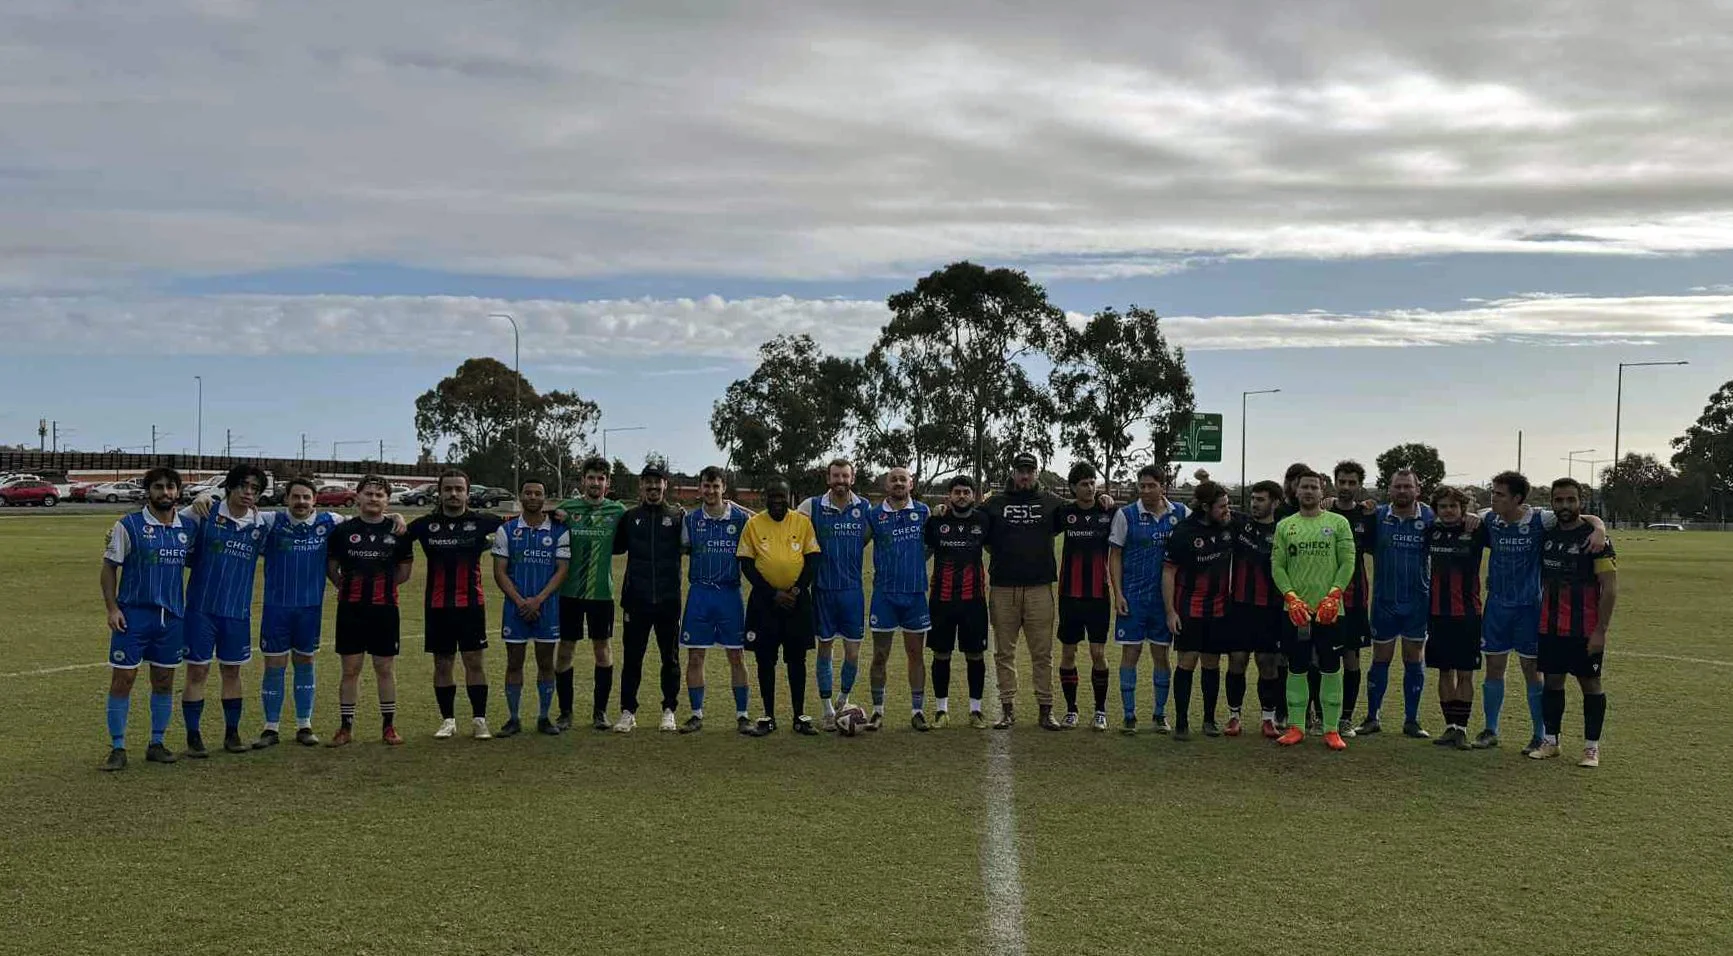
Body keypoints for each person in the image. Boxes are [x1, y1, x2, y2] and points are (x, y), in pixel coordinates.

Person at [1473, 471, 1607, 753]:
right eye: (1493, 493)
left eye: (1499, 494)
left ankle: (1540, 734)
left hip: (1530, 608)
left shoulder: (1540, 519)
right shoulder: (1490, 519)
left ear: (1517, 498)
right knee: (1494, 668)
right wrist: (1470, 515)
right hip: (1497, 606)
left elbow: (1582, 517)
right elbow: (1469, 513)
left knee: (1532, 670)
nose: (1493, 498)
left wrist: (1600, 527)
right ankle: (1490, 729)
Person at [99, 467, 198, 771]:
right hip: (134, 616)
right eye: (159, 487)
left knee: (165, 680)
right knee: (123, 679)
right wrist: (113, 609)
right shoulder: (128, 525)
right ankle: (117, 747)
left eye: (170, 487)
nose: (165, 493)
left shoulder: (188, 528)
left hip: (172, 619)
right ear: (148, 491)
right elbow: (109, 568)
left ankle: (157, 742)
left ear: (177, 492)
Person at [404, 470, 504, 740]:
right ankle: (448, 720)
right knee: (443, 663)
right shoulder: (425, 524)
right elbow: (395, 534)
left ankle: (479, 719)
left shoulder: (482, 521)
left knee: (474, 660)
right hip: (437, 606)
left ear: (467, 493)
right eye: (448, 489)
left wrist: (556, 515)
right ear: (439, 492)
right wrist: (394, 516)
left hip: (472, 604)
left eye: (459, 489)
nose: (453, 494)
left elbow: (521, 523)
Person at [180, 463, 269, 756]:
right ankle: (193, 737)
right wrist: (198, 498)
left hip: (237, 611)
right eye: (243, 486)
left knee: (232, 672)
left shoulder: (261, 524)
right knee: (197, 671)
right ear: (230, 486)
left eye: (254, 489)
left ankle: (232, 734)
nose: (248, 493)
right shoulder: (205, 513)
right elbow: (168, 524)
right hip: (201, 610)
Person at [1530, 478, 1617, 768]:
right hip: (1550, 625)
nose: (1565, 506)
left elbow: (1610, 587)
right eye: (1559, 501)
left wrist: (1600, 631)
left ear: (1581, 501)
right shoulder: (1547, 535)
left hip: (1585, 628)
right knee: (1553, 682)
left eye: (1571, 500)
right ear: (1552, 503)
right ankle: (1551, 741)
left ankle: (1591, 748)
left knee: (1590, 683)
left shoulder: (1596, 540)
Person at [979, 452, 1069, 730]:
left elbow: (1081, 510)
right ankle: (1007, 709)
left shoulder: (1052, 503)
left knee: (1042, 653)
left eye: (1030, 471)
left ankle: (1046, 710)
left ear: (1037, 473)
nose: (1026, 476)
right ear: (1014, 473)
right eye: (1021, 471)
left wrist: (1105, 501)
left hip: (1039, 588)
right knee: (1004, 653)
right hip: (1003, 588)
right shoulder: (993, 504)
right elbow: (977, 530)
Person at [324, 476, 415, 746]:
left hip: (385, 609)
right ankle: (345, 727)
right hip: (351, 609)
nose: (374, 498)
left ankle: (388, 726)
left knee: (384, 667)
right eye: (369, 493)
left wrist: (381, 587)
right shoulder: (343, 530)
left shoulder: (398, 530)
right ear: (359, 496)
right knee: (350, 669)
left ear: (387, 500)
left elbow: (404, 572)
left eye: (379, 494)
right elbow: (332, 566)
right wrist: (344, 584)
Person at [253, 476, 343, 747]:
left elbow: (367, 518)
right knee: (274, 665)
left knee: (305, 662)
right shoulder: (271, 522)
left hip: (309, 610)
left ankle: (305, 725)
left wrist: (396, 515)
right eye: (296, 497)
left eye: (306, 497)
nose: (301, 502)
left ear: (315, 500)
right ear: (286, 499)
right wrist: (202, 500)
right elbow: (238, 513)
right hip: (276, 610)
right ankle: (271, 728)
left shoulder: (331, 522)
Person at [1271, 471, 1357, 751]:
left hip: (1331, 611)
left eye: (1314, 487)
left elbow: (1347, 563)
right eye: (1304, 487)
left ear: (1323, 492)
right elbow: (1278, 566)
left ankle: (1331, 729)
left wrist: (1333, 595)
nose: (1308, 491)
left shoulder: (1338, 523)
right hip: (1295, 611)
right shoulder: (1286, 525)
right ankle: (1296, 727)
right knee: (1296, 667)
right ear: (1296, 492)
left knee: (1331, 668)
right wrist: (1292, 598)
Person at [736, 476, 822, 736]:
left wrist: (795, 590)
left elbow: (812, 560)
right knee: (765, 660)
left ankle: (799, 715)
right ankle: (768, 716)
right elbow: (747, 565)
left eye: (781, 496)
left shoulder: (802, 522)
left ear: (789, 498)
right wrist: (773, 593)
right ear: (766, 498)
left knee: (797, 660)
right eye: (772, 496)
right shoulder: (753, 524)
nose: (777, 501)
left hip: (797, 602)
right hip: (765, 603)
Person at [1110, 465, 1188, 734]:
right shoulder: (1126, 514)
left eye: (1150, 486)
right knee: (1130, 654)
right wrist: (1118, 593)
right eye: (1141, 486)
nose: (1145, 491)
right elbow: (1115, 556)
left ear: (1162, 487)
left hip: (1165, 601)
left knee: (1161, 655)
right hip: (1133, 598)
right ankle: (1129, 716)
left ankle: (1159, 714)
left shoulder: (1181, 514)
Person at [677, 467, 755, 735]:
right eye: (706, 486)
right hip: (700, 594)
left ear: (724, 489)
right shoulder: (690, 520)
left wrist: (742, 507)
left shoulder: (741, 519)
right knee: (696, 656)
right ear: (700, 488)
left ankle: (743, 715)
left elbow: (765, 524)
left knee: (736, 655)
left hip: (729, 594)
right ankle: (696, 714)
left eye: (716, 486)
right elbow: (680, 548)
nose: (710, 491)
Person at [553, 457, 628, 731]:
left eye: (601, 478)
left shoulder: (618, 511)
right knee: (566, 650)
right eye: (591, 477)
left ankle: (600, 712)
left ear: (608, 483)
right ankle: (565, 712)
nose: (596, 483)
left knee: (602, 650)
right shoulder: (566, 509)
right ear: (582, 480)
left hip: (601, 593)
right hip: (569, 593)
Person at [492, 477, 570, 737]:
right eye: (528, 493)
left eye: (538, 493)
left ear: (544, 498)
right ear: (521, 496)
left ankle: (544, 717)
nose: (533, 497)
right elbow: (500, 572)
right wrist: (520, 600)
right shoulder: (507, 530)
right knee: (514, 663)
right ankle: (513, 719)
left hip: (546, 607)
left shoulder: (559, 530)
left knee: (546, 663)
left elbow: (561, 571)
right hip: (515, 608)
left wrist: (538, 600)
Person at [797, 459, 871, 730]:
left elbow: (871, 535)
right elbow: (784, 525)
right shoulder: (812, 506)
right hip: (823, 590)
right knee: (825, 649)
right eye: (836, 476)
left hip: (852, 592)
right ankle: (827, 709)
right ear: (828, 479)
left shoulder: (864, 508)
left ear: (852, 478)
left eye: (845, 476)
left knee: (853, 652)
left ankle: (843, 699)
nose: (840, 480)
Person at [613, 463, 687, 733]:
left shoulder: (678, 517)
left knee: (671, 658)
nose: (653, 488)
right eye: (648, 483)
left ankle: (669, 710)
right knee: (633, 658)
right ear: (641, 486)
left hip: (668, 600)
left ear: (665, 485)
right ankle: (627, 711)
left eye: (658, 483)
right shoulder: (630, 517)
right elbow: (615, 547)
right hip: (636, 600)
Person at [1364, 468, 1436, 738]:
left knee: (1413, 658)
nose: (1403, 491)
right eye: (1398, 486)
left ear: (1418, 489)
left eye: (1408, 486)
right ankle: (1372, 717)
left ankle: (1412, 720)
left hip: (1418, 600)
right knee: (1380, 658)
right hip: (1384, 600)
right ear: (1389, 489)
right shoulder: (1378, 515)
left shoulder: (1430, 517)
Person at [1162, 481, 1236, 741]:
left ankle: (1209, 719)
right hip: (1190, 607)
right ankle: (1181, 722)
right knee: (1187, 661)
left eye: (1228, 505)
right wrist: (1170, 611)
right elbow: (1169, 571)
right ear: (1205, 507)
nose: (1227, 510)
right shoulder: (1184, 532)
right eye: (1222, 506)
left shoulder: (1229, 525)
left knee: (1212, 663)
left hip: (1219, 609)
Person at [924, 476, 994, 728]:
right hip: (941, 600)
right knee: (941, 654)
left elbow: (995, 549)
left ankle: (976, 710)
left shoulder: (983, 520)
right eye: (957, 492)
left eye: (966, 492)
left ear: (974, 495)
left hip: (973, 601)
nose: (961, 496)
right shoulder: (937, 520)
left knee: (975, 655)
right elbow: (924, 552)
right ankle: (941, 710)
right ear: (949, 496)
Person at [867, 466, 933, 731]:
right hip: (885, 596)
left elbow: (931, 545)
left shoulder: (924, 512)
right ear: (886, 485)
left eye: (902, 479)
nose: (898, 483)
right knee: (880, 655)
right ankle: (877, 711)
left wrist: (915, 563)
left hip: (915, 595)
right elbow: (855, 543)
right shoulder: (874, 515)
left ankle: (917, 711)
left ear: (911, 484)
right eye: (893, 479)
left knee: (915, 654)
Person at [1054, 463, 1116, 730]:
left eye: (1092, 482)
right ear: (1073, 488)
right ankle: (1071, 710)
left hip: (1099, 595)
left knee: (1097, 653)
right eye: (1083, 484)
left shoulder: (1109, 511)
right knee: (1068, 653)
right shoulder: (1064, 513)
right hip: (1070, 595)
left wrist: (1110, 501)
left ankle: (1100, 711)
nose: (1090, 488)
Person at [1425, 485, 1485, 749]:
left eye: (1453, 506)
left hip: (1467, 615)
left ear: (1463, 508)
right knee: (1443, 671)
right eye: (1443, 506)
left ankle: (1462, 728)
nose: (1448, 511)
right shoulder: (1431, 532)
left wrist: (1480, 516)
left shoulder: (1476, 529)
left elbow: (1507, 518)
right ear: (1436, 509)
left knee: (1465, 673)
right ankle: (1450, 726)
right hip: (1437, 613)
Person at [1231, 480, 1288, 738]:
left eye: (1261, 499)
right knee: (1237, 660)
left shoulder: (1285, 530)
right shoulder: (1239, 523)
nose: (1255, 504)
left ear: (1275, 502)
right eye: (1253, 499)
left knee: (1268, 663)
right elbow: (1208, 507)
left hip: (1271, 608)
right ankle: (1234, 716)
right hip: (1240, 606)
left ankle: (1268, 718)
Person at [1326, 461, 1375, 738]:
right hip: (1323, 596)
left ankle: (1345, 718)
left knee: (1351, 658)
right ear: (1335, 483)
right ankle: (1319, 715)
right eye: (1341, 482)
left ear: (1359, 485)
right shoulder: (1324, 511)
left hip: (1354, 598)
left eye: (1351, 483)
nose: (1345, 488)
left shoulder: (1366, 516)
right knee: (1319, 657)